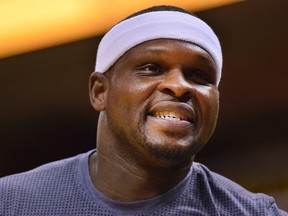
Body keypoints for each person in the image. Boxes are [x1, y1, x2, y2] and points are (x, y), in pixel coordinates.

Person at [0, 5, 287, 216]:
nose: (178, 86)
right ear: (100, 92)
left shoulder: (253, 213)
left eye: (199, 76)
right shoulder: (12, 203)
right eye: (151, 69)